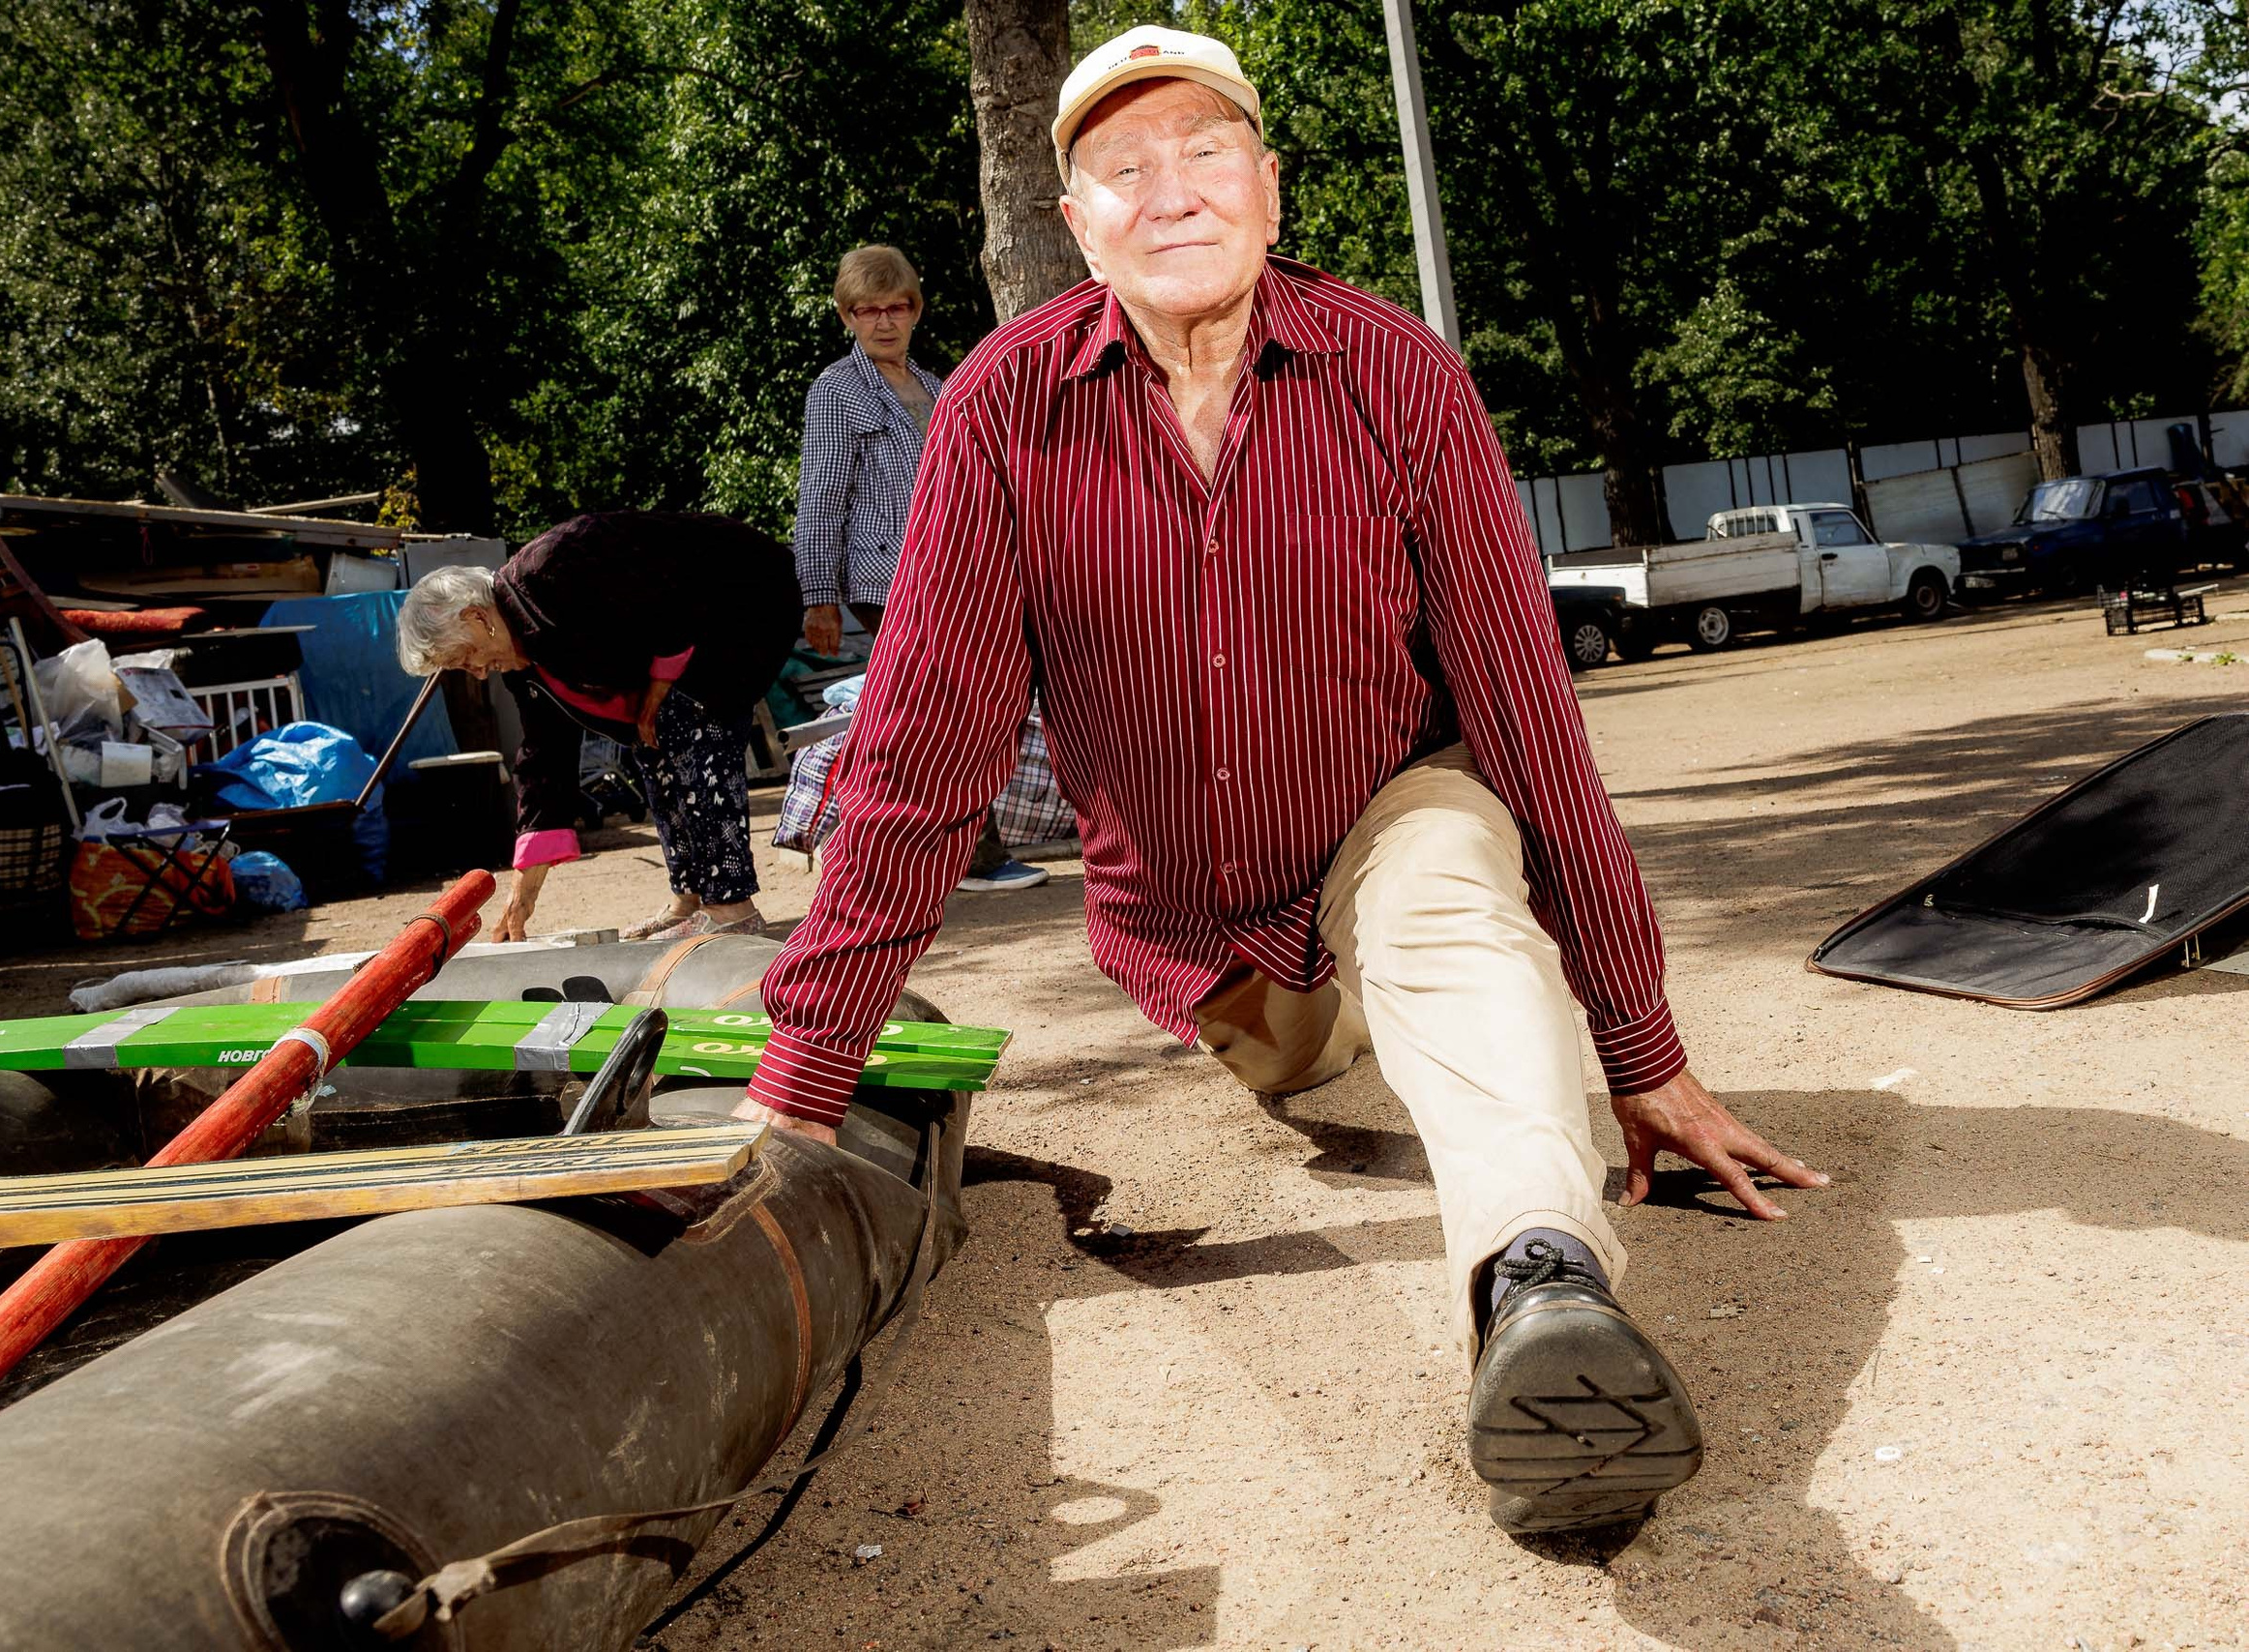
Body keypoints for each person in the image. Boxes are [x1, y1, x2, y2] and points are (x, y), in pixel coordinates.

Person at [737, 26, 1827, 1535]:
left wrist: (1640, 1050)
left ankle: (1538, 1282)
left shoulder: (1398, 376)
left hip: (1395, 801)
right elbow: (922, 759)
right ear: (1080, 226)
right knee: (1322, 1059)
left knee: (1449, 907)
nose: (1170, 191)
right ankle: (1410, 1030)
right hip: (1200, 937)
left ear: (1268, 188)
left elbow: (1525, 718)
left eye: (1204, 153)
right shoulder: (998, 412)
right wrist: (804, 1076)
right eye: (1125, 168)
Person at [394, 513, 801, 944]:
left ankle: (731, 909)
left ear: (478, 617)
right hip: (694, 633)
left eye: (464, 657)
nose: (476, 673)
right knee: (652, 744)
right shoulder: (524, 662)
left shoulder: (555, 564)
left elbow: (668, 595)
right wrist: (523, 894)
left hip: (743, 598)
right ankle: (691, 898)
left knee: (687, 724)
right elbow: (543, 760)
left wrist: (659, 689)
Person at [795, 244, 1048, 895]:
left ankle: (890, 846)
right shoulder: (836, 389)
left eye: (896, 308)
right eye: (868, 310)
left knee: (944, 711)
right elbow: (820, 495)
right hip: (884, 578)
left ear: (915, 310)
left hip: (951, 573)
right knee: (945, 711)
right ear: (847, 315)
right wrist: (817, 595)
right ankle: (974, 858)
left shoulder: (939, 386)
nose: (883, 322)